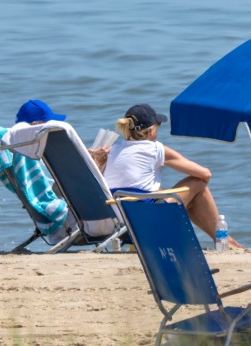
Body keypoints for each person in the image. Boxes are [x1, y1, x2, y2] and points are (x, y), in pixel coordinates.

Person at [103, 103, 242, 248]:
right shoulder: (155, 149)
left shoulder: (114, 149)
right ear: (151, 131)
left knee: (190, 197)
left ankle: (222, 240)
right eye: (158, 126)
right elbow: (205, 174)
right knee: (198, 183)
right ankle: (225, 241)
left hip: (120, 223)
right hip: (147, 223)